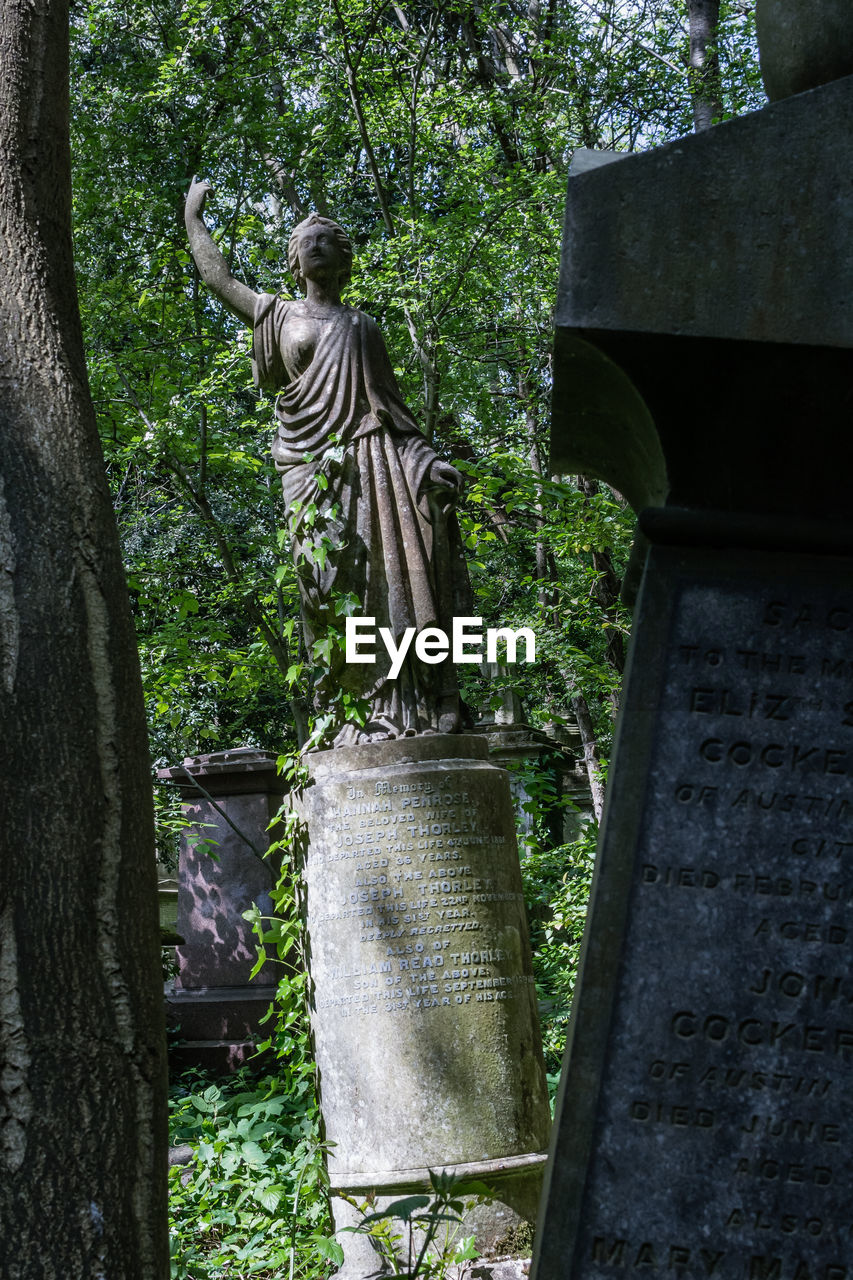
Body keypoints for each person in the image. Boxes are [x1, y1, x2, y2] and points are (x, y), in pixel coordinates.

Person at [185, 178, 471, 746]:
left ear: (343, 259)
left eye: (325, 239)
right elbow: (218, 280)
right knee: (324, 588)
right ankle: (344, 712)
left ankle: (413, 703)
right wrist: (194, 218)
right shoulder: (278, 314)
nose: (314, 245)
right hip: (308, 471)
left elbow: (391, 411)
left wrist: (426, 463)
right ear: (295, 261)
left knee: (391, 586)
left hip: (374, 465)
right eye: (305, 240)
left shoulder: (363, 326)